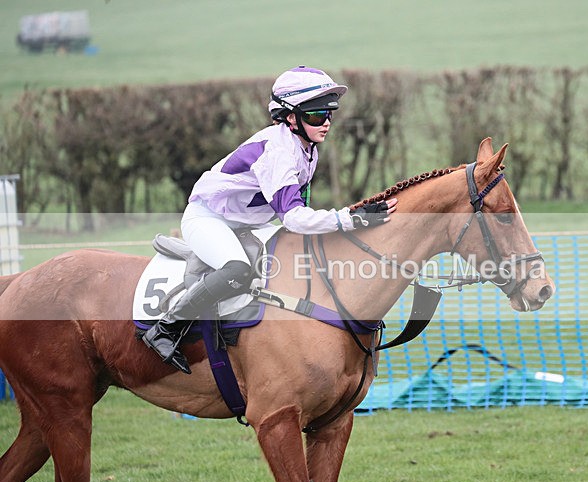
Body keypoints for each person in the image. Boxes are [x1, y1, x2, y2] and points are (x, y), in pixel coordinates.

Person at [143, 66, 397, 374]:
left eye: (330, 114)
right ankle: (166, 328)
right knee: (237, 269)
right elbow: (294, 218)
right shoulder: (279, 151)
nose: (327, 122)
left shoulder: (306, 148)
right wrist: (352, 219)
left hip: (244, 222)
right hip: (208, 218)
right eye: (317, 115)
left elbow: (299, 213)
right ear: (291, 117)